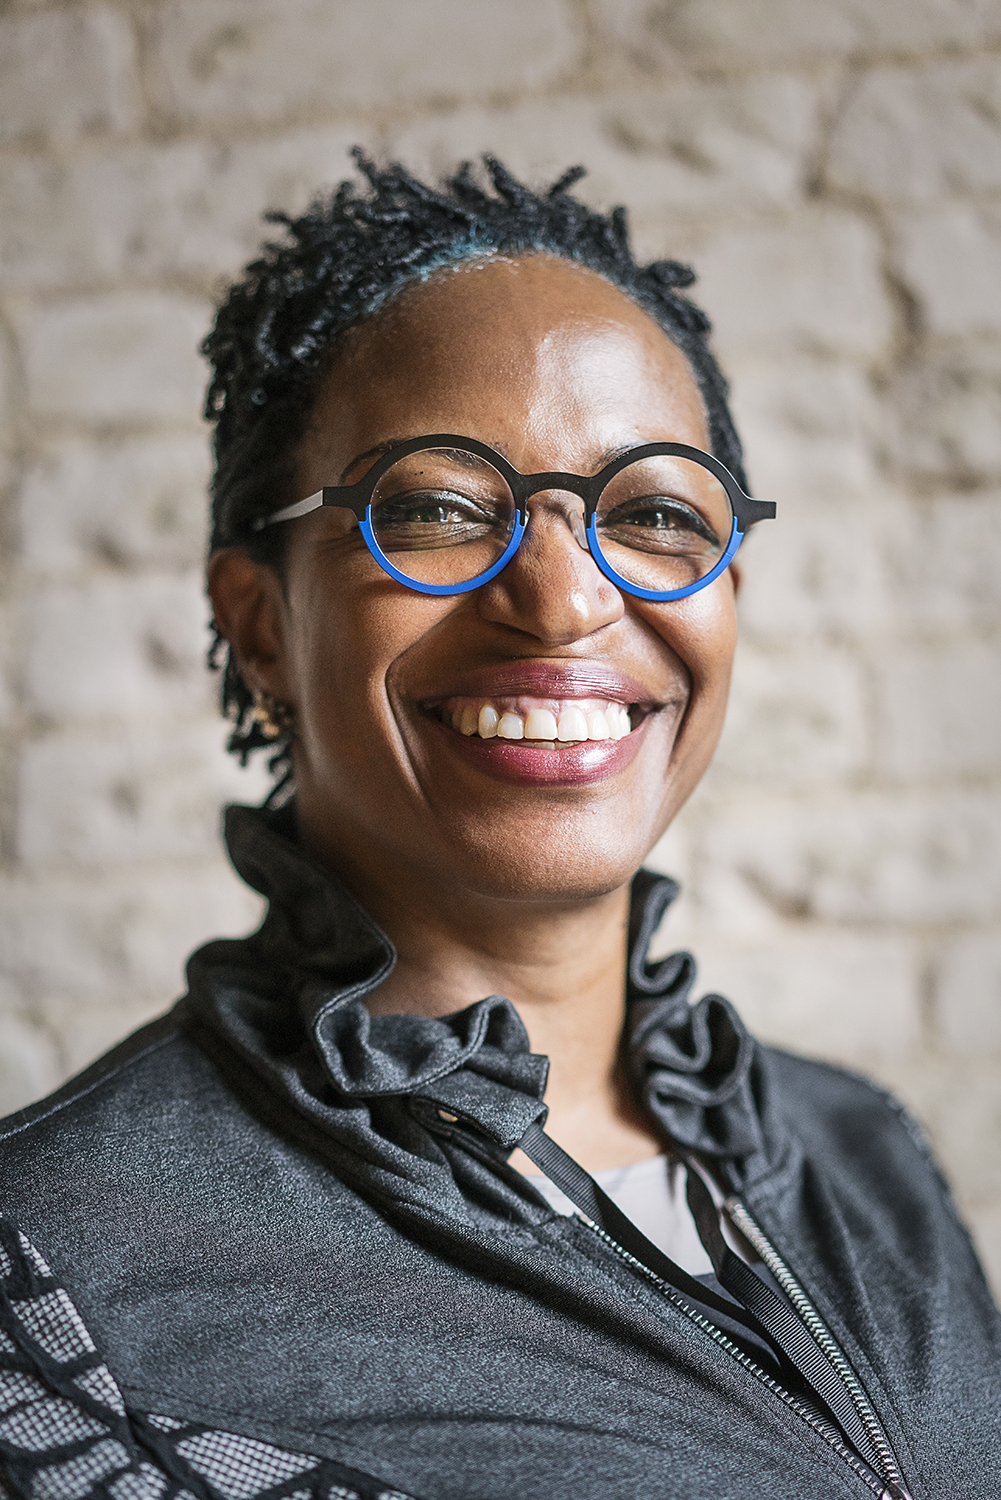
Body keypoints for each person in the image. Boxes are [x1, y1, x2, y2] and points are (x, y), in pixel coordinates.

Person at [0, 155, 997, 1500]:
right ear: (259, 627)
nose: (562, 597)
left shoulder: (858, 1148)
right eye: (435, 507)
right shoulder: (56, 1265)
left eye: (650, 513)